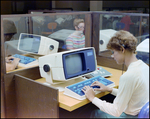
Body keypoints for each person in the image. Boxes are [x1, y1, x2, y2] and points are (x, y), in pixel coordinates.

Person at [82, 30, 149, 118]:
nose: (112, 56)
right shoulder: (144, 66)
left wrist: (92, 98)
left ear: (122, 49)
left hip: (131, 116)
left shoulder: (129, 75)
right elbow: (129, 94)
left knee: (95, 113)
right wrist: (109, 89)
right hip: (140, 112)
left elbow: (116, 111)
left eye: (113, 52)